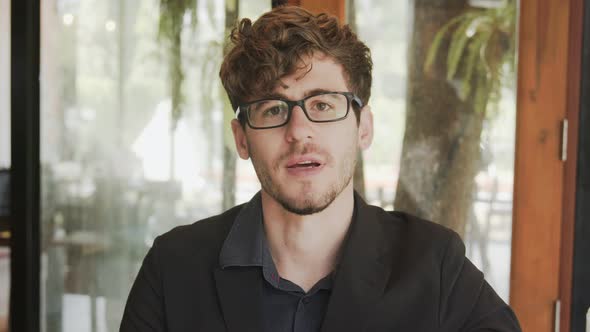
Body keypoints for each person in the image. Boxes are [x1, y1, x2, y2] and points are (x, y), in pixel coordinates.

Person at [120, 6, 521, 332]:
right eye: (273, 109)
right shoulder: (173, 269)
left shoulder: (436, 266)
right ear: (241, 138)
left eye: (323, 105)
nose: (299, 131)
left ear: (363, 127)